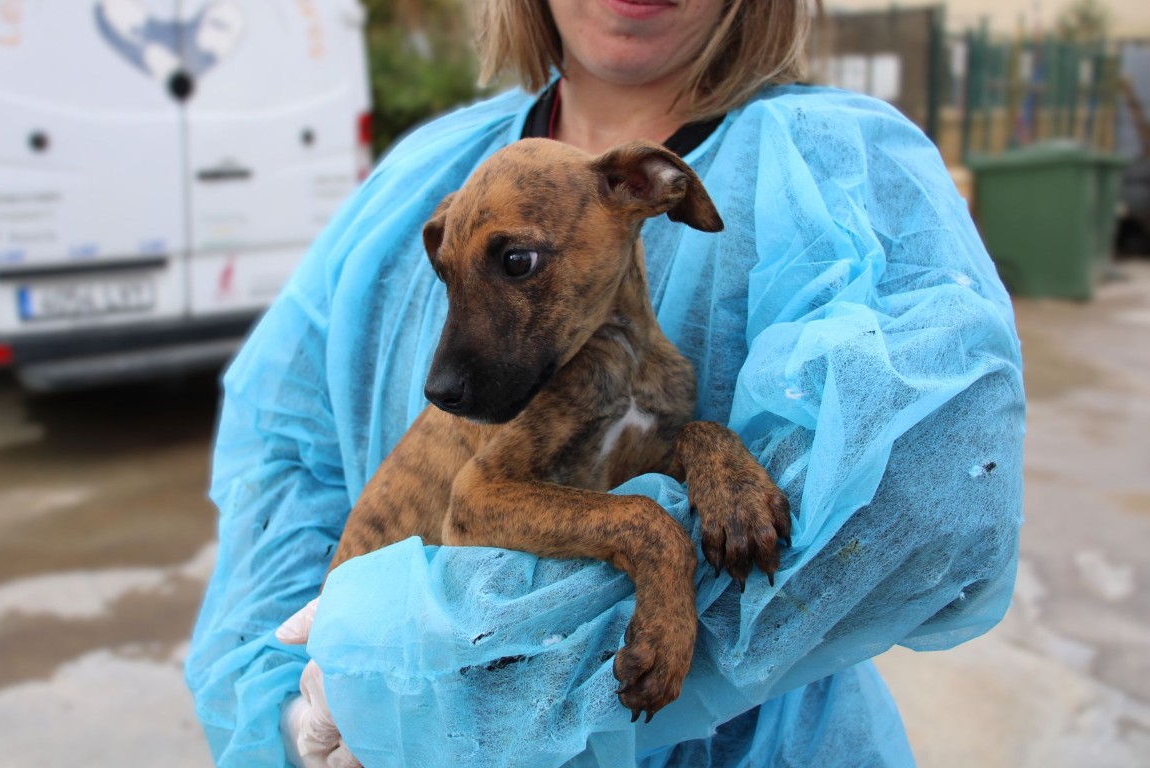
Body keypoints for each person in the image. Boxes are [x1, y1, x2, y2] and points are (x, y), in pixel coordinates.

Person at [186, 0, 1026, 765]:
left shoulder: (838, 166)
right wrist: (291, 712)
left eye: (520, 263)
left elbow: (926, 493)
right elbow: (284, 466)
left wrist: (476, 678)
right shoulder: (427, 181)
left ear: (656, 192)